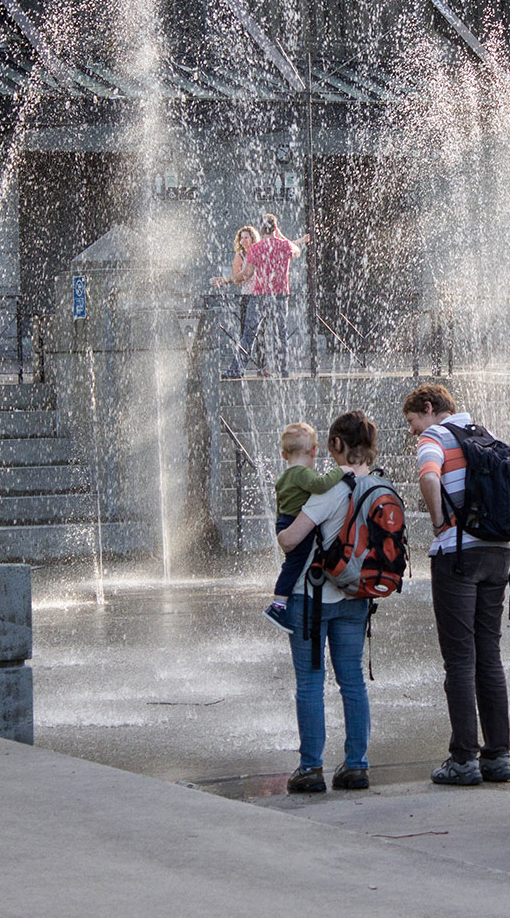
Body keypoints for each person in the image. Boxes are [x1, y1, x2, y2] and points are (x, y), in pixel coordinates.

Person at [403, 382, 510, 786]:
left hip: (457, 556)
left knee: (459, 658)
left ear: (430, 409)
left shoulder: (435, 437)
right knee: (489, 654)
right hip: (499, 554)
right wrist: (500, 523)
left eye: (414, 423)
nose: (415, 433)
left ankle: (463, 759)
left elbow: (429, 478)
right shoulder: (487, 436)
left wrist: (439, 525)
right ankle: (498, 757)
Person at [274, 410, 377, 793]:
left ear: (336, 445)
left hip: (311, 597)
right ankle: (357, 765)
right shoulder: (377, 484)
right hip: (356, 595)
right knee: (352, 682)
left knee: (310, 683)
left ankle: (311, 767)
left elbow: (290, 540)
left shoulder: (331, 487)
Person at [264, 421, 344, 632]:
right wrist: (340, 472)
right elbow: (320, 485)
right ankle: (278, 606)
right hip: (293, 520)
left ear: (283, 455)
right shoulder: (302, 473)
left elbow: (279, 505)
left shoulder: (285, 476)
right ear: (314, 451)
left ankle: (280, 603)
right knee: (295, 563)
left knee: (293, 563)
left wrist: (280, 528)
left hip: (284, 521)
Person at [230, 213, 306, 378]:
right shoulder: (285, 245)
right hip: (280, 295)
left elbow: (247, 273)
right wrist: (281, 236)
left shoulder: (256, 248)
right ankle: (282, 370)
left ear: (261, 229)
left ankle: (236, 370)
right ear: (275, 228)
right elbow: (298, 251)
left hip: (259, 296)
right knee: (281, 333)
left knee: (249, 334)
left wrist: (229, 280)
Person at [214, 225, 263, 378]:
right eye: (241, 238)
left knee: (261, 335)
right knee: (247, 334)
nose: (243, 241)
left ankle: (261, 367)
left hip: (262, 296)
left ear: (253, 238)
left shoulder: (260, 252)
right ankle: (239, 369)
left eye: (246, 237)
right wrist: (239, 276)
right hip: (248, 297)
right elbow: (238, 280)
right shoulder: (240, 257)